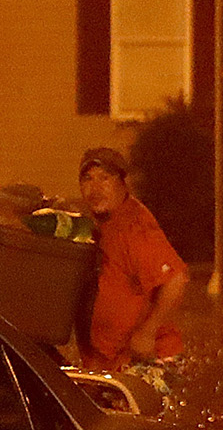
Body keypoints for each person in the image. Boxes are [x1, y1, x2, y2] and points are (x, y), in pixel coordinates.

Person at [76, 146, 187, 374]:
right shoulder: (100, 225)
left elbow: (176, 278)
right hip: (110, 362)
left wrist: (147, 332)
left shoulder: (135, 227)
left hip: (147, 360)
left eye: (104, 179)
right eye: (87, 179)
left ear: (122, 183)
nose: (95, 188)